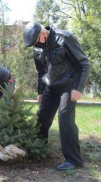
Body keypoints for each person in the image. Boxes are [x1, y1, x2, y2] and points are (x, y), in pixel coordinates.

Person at [23, 22, 90, 170]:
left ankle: (74, 160)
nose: (36, 46)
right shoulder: (38, 48)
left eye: (36, 41)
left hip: (69, 84)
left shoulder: (64, 38)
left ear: (42, 34)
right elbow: (41, 72)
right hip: (50, 86)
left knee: (64, 117)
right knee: (42, 117)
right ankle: (39, 151)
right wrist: (40, 92)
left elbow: (84, 64)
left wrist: (78, 88)